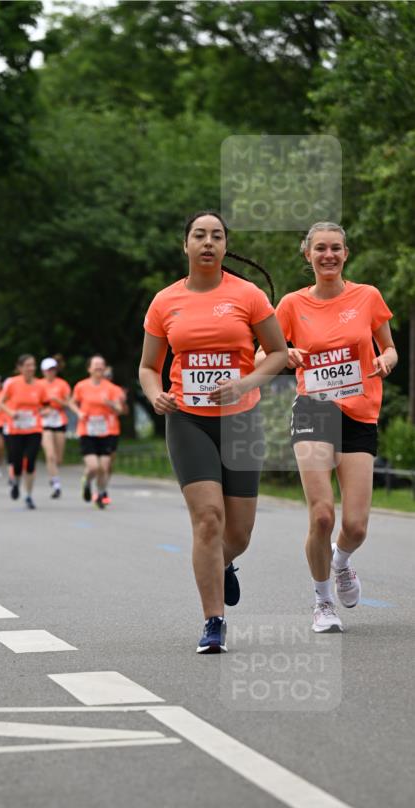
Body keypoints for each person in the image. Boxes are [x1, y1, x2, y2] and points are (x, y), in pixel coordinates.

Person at [139, 210, 288, 654]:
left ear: (225, 246)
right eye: (199, 235)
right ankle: (213, 621)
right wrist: (155, 395)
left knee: (238, 535)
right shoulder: (165, 301)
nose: (208, 242)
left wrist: (244, 383)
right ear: (185, 245)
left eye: (217, 236)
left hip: (241, 418)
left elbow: (278, 353)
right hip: (188, 418)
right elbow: (148, 367)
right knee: (208, 519)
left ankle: (221, 565)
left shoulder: (248, 295)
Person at [255, 221, 396, 633]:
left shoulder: (367, 297)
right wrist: (286, 353)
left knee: (356, 526)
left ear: (346, 253)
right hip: (314, 409)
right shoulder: (292, 304)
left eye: (336, 248)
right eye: (320, 248)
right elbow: (262, 353)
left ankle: (341, 561)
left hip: (359, 413)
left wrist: (386, 360)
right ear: (308, 254)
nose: (328, 255)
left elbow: (389, 347)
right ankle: (322, 602)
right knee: (321, 516)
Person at [70, 356, 124, 510]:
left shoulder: (112, 388)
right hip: (87, 430)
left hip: (107, 432)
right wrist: (79, 413)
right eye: (96, 365)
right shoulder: (81, 386)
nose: (99, 367)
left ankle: (100, 494)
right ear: (89, 369)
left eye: (101, 365)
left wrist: (110, 403)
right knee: (93, 467)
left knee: (104, 466)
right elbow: (72, 402)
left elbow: (120, 409)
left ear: (105, 368)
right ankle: (87, 483)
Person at [0, 354, 48, 509]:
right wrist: (11, 413)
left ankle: (28, 496)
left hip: (34, 428)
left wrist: (44, 412)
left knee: (31, 461)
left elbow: (46, 405)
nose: (31, 368)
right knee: (17, 462)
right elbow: (1, 403)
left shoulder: (40, 385)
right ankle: (16, 482)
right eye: (27, 365)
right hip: (16, 429)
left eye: (33, 365)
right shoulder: (12, 384)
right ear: (20, 368)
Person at [39, 357, 72, 498]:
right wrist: (42, 411)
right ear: (43, 371)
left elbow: (69, 403)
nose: (51, 372)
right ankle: (56, 484)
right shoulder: (38, 384)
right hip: (44, 422)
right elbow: (32, 404)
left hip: (59, 421)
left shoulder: (62, 384)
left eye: (53, 369)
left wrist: (58, 401)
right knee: (50, 455)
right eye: (48, 370)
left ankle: (53, 474)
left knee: (58, 459)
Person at [102, 364, 128, 505]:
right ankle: (102, 490)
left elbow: (124, 411)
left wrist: (116, 403)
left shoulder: (116, 390)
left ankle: (103, 486)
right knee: (101, 463)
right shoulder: (91, 388)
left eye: (109, 376)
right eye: (105, 375)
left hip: (112, 430)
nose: (107, 378)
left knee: (109, 463)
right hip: (95, 432)